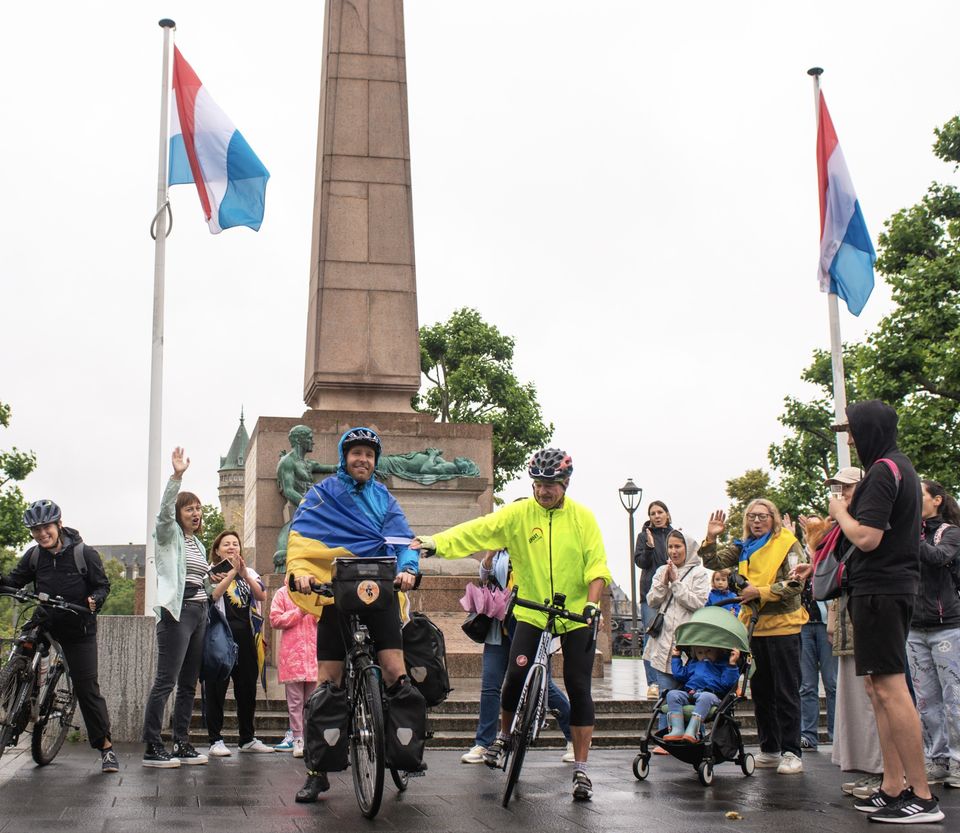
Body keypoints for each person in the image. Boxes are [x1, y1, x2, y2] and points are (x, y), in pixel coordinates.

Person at [414, 448, 611, 802]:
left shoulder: (583, 518)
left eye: (550, 484)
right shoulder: (519, 514)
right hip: (533, 610)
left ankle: (581, 769)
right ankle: (503, 738)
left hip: (577, 614)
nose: (543, 491)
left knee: (578, 685)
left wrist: (593, 605)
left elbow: (597, 566)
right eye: (537, 484)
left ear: (565, 483)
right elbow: (478, 530)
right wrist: (435, 543)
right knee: (514, 677)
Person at [286, 427, 423, 803]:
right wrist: (300, 573)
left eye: (369, 454)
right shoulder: (322, 495)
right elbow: (300, 540)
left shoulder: (385, 500)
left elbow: (404, 542)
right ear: (345, 457)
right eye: (356, 453)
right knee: (328, 684)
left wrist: (409, 569)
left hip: (380, 597)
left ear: (375, 461)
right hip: (336, 598)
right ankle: (317, 772)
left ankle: (404, 750)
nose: (363, 459)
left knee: (396, 673)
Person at [828, 400, 943, 823]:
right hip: (884, 588)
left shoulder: (882, 471)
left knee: (892, 690)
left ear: (870, 429)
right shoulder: (900, 468)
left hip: (881, 588)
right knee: (880, 690)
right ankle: (894, 785)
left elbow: (868, 537)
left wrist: (839, 511)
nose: (851, 439)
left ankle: (923, 795)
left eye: (854, 430)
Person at [0, 500, 117, 773]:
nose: (41, 534)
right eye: (35, 530)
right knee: (21, 649)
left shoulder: (84, 554)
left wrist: (94, 600)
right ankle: (16, 709)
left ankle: (106, 747)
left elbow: (102, 586)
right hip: (46, 620)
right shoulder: (34, 556)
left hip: (78, 627)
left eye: (46, 527)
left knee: (87, 687)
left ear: (59, 524)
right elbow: (14, 581)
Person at [700, 499, 807, 774]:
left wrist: (759, 592)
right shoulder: (743, 546)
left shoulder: (787, 543)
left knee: (786, 690)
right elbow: (713, 562)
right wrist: (711, 536)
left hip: (783, 626)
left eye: (762, 516)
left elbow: (796, 583)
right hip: (753, 628)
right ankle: (770, 748)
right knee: (761, 691)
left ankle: (791, 751)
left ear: (773, 518)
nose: (756, 521)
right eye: (751, 517)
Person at [460, 547, 575, 765]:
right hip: (499, 629)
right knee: (490, 685)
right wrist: (489, 556)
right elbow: (484, 577)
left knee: (542, 685)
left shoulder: (538, 548)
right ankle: (484, 743)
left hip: (530, 626)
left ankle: (573, 738)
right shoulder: (501, 554)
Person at [141, 447, 210, 768]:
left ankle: (181, 742)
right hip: (177, 612)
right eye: (189, 509)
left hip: (199, 612)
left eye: (198, 509)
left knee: (188, 683)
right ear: (179, 513)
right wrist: (176, 477)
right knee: (165, 681)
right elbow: (164, 513)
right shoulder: (169, 535)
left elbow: (201, 578)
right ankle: (153, 745)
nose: (195, 514)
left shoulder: (197, 542)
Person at [907, 480, 960, 789]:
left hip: (948, 627)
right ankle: (937, 759)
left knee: (954, 698)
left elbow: (938, 558)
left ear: (937, 500)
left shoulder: (949, 532)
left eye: (921, 496)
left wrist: (908, 535)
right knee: (926, 700)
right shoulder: (912, 532)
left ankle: (957, 760)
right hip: (914, 628)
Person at [205, 530, 272, 756]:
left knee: (246, 689)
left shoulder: (249, 572)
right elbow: (212, 596)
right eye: (226, 544)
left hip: (246, 637)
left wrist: (243, 574)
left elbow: (262, 596)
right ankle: (215, 739)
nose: (232, 547)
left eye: (235, 543)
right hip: (220, 637)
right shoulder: (211, 572)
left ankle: (247, 738)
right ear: (217, 550)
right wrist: (230, 574)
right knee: (216, 689)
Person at [642, 530, 710, 712]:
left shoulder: (700, 574)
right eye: (670, 547)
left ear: (687, 548)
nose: (673, 551)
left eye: (678, 546)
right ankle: (665, 737)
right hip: (664, 647)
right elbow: (652, 601)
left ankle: (692, 737)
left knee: (692, 700)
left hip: (690, 648)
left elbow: (699, 603)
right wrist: (664, 582)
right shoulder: (661, 571)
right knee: (666, 700)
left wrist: (677, 584)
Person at [269, 582, 319, 757]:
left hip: (313, 656)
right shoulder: (282, 593)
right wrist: (299, 612)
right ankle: (297, 738)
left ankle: (310, 738)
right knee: (295, 702)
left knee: (313, 702)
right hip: (293, 657)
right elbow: (274, 619)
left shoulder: (316, 592)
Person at [634, 501, 674, 697]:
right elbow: (641, 562)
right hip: (650, 594)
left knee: (673, 635)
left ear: (667, 514)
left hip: (672, 592)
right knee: (651, 636)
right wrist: (649, 547)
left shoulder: (675, 535)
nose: (656, 516)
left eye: (660, 512)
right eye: (653, 513)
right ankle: (653, 683)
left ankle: (673, 678)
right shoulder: (643, 536)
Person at [664, 644, 741, 742]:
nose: (704, 655)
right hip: (691, 693)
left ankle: (692, 731)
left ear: (718, 651)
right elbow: (680, 675)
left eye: (709, 651)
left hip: (712, 695)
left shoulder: (723, 664)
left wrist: (732, 663)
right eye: (700, 652)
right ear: (695, 654)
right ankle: (677, 729)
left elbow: (728, 683)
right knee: (672, 694)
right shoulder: (693, 663)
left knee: (705, 697)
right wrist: (676, 657)